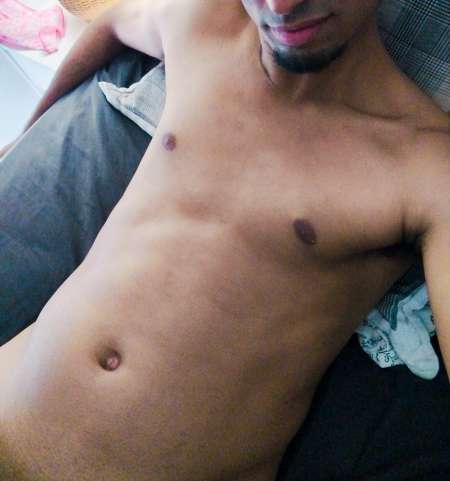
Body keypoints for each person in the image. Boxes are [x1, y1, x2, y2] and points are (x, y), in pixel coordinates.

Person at [0, 1, 449, 480]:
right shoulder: (201, 23)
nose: (280, 6)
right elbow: (112, 24)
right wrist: (24, 137)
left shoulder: (424, 164)